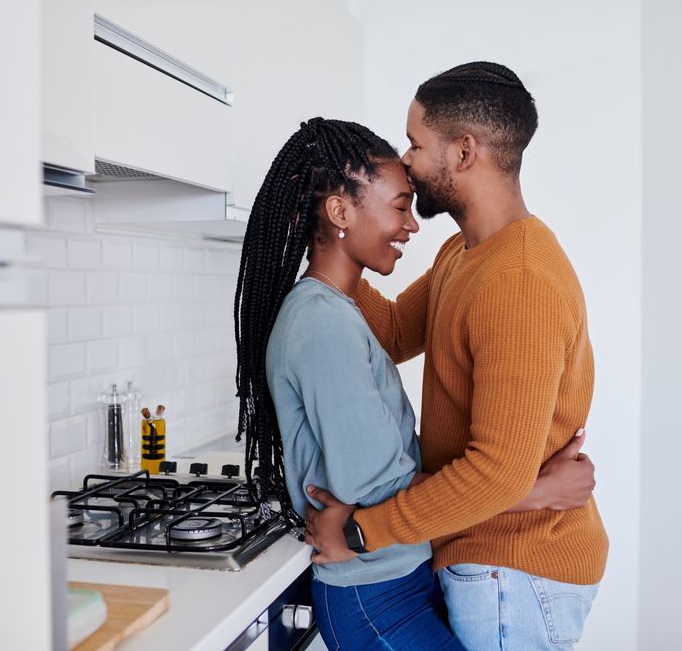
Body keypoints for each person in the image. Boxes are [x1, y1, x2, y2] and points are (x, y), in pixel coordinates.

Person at [234, 116, 597, 651]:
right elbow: (399, 334)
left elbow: (490, 473)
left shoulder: (516, 273)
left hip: (505, 570)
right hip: (413, 573)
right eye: (398, 205)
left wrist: (341, 251)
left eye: (416, 144)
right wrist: (540, 489)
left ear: (464, 151)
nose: (408, 160)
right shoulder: (460, 257)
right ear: (340, 211)